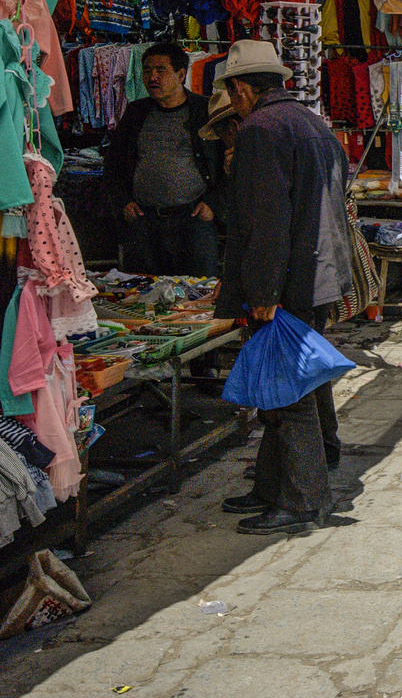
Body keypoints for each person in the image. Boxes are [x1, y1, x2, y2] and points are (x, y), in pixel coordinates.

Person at [211, 40, 352, 535]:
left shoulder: (260, 130)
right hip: (316, 271)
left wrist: (264, 292)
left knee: (287, 394)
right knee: (292, 386)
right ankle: (272, 487)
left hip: (288, 280)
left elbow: (267, 221)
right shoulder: (310, 122)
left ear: (242, 89)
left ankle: (302, 498)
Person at [104, 41, 222, 276]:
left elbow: (228, 165)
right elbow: (114, 165)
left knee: (198, 292)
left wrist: (215, 204)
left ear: (180, 75)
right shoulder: (136, 112)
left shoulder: (205, 110)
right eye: (147, 70)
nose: (152, 77)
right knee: (142, 292)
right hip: (144, 222)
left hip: (192, 221)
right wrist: (123, 202)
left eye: (160, 70)